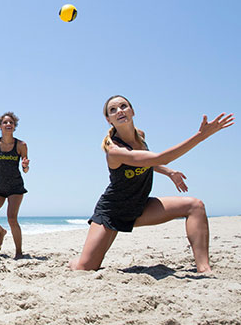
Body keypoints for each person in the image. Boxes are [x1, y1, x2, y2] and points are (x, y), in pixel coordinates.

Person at [70, 95, 233, 273]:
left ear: (132, 111)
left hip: (141, 206)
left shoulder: (140, 136)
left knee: (195, 206)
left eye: (123, 106)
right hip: (113, 211)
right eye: (113, 110)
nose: (120, 111)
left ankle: (204, 268)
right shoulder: (115, 151)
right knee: (85, 268)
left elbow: (148, 162)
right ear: (109, 120)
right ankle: (75, 261)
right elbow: (160, 158)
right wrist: (201, 136)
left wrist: (169, 172)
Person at [0, 112, 30, 258]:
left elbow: (25, 170)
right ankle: (1, 232)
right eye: (5, 122)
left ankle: (19, 252)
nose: (8, 125)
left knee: (12, 219)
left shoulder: (21, 145)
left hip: (15, 186)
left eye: (11, 123)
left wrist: (25, 166)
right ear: (0, 126)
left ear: (14, 126)